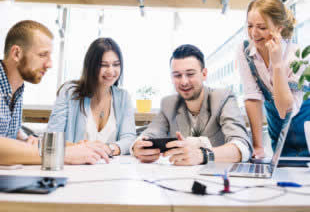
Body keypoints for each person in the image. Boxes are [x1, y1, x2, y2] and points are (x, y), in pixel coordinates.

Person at [0, 20, 109, 165]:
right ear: (17, 53)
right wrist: (61, 154)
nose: (49, 64)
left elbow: (13, 137)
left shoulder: (16, 88)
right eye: (42, 55)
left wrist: (77, 148)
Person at [132, 44, 252, 165]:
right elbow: (150, 133)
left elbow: (243, 147)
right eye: (177, 75)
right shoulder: (169, 104)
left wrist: (204, 155)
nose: (184, 82)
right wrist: (137, 147)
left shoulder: (223, 97)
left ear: (204, 74)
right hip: (179, 178)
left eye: (190, 74)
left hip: (219, 177)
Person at [237, 0, 310, 157]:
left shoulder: (298, 57)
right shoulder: (246, 52)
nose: (253, 33)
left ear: (279, 28)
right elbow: (252, 97)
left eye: (261, 27)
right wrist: (257, 147)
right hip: (279, 139)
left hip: (305, 135)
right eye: (249, 26)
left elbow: (285, 111)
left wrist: (277, 64)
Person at [47, 37, 136, 156]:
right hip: (74, 167)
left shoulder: (123, 97)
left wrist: (109, 149)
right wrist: (81, 148)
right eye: (104, 65)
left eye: (116, 64)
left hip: (109, 168)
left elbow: (129, 138)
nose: (111, 71)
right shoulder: (69, 93)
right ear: (91, 66)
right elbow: (53, 137)